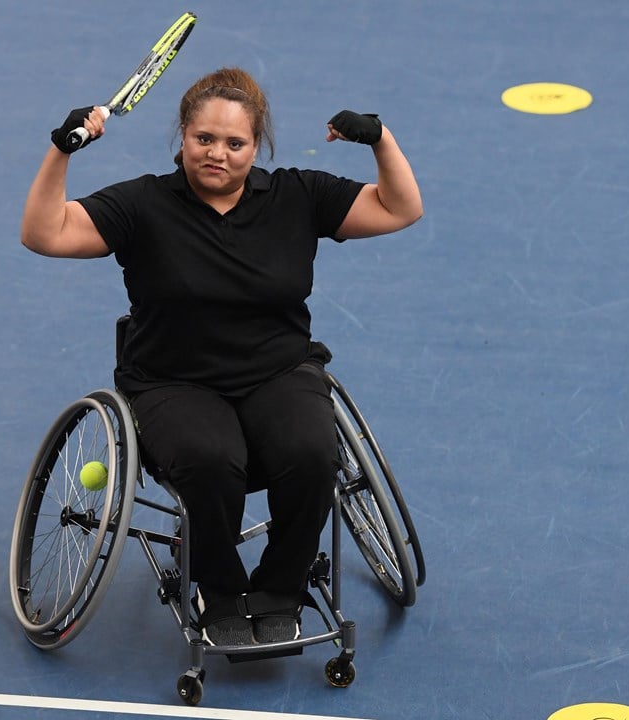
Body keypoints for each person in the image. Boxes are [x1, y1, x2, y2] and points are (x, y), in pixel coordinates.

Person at [21, 67, 422, 647]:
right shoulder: (143, 205)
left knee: (313, 454)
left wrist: (380, 139)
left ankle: (281, 590)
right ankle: (221, 589)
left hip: (278, 372)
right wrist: (61, 152)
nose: (217, 154)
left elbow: (399, 209)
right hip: (173, 381)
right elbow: (45, 234)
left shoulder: (298, 196)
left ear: (256, 147)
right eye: (203, 139)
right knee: (211, 462)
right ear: (182, 136)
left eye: (235, 143)